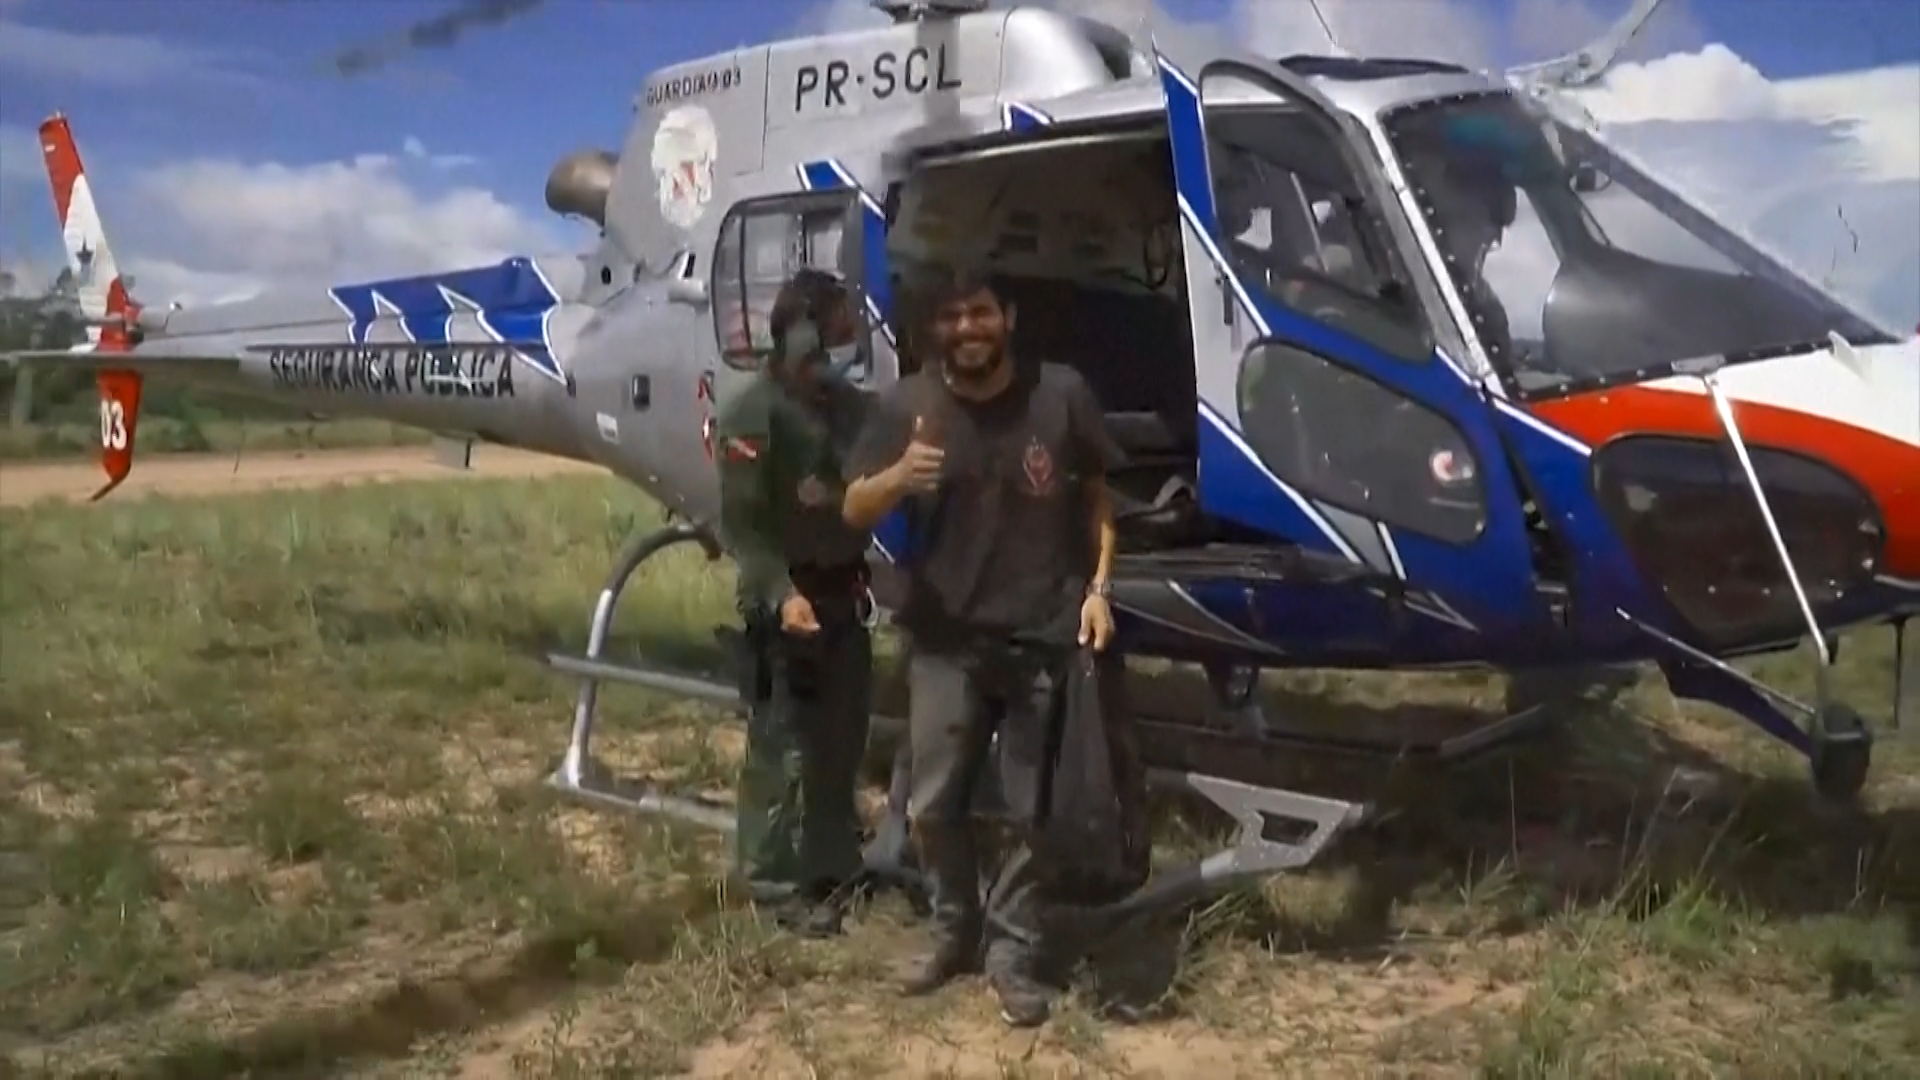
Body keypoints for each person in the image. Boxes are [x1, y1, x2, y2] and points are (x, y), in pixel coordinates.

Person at [841, 264, 1123, 1027]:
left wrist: (1099, 591)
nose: (966, 328)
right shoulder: (908, 403)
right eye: (951, 317)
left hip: (1042, 632)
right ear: (935, 330)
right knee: (932, 805)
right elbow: (853, 505)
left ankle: (1012, 949)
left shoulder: (1060, 395)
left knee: (1037, 814)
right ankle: (951, 927)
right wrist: (899, 476)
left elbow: (1099, 502)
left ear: (1009, 318)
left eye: (980, 313)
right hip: (945, 637)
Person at [712, 267, 876, 938]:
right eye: (829, 334)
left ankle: (834, 865)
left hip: (844, 597)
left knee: (841, 741)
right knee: (781, 749)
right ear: (795, 334)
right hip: (787, 603)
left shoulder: (847, 408)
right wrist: (782, 595)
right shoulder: (751, 414)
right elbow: (745, 530)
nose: (838, 350)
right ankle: (773, 883)